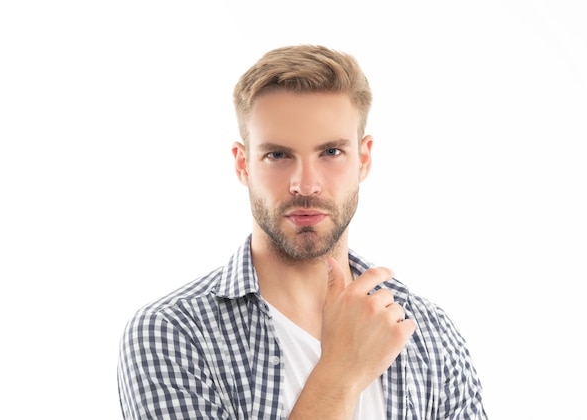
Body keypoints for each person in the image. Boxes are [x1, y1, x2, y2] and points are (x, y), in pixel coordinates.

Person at [117, 44, 488, 419]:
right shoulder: (172, 334)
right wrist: (341, 374)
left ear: (364, 159)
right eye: (278, 155)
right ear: (243, 165)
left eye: (330, 153)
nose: (306, 184)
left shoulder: (428, 333)